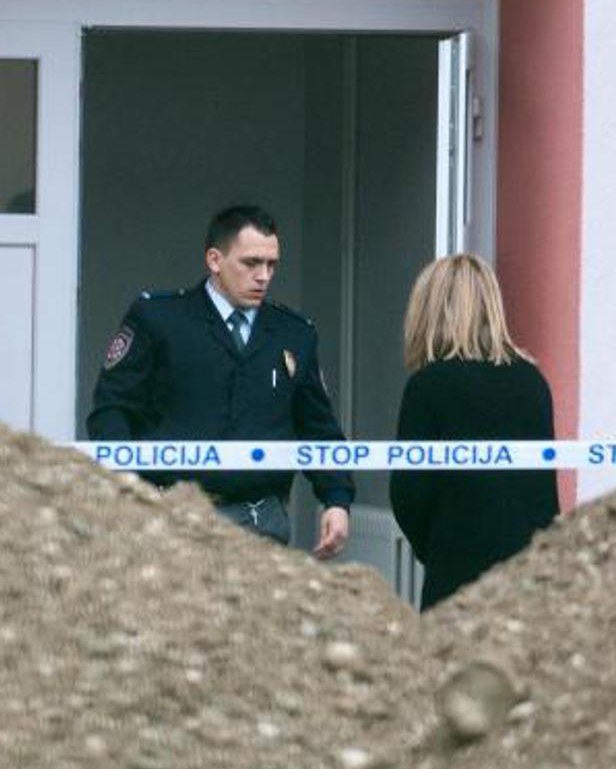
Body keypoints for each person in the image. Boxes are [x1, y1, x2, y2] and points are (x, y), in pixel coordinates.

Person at [87, 204, 353, 558]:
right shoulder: (160, 319)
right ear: (215, 260)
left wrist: (337, 499)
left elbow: (318, 428)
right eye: (251, 263)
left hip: (262, 520)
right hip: (173, 518)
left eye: (271, 265)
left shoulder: (293, 333)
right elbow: (112, 411)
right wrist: (128, 487)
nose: (263, 276)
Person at [388, 253, 558, 610]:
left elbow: (409, 493)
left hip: (456, 573)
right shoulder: (532, 382)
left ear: (428, 311)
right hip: (529, 577)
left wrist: (435, 547)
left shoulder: (429, 386)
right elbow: (544, 489)